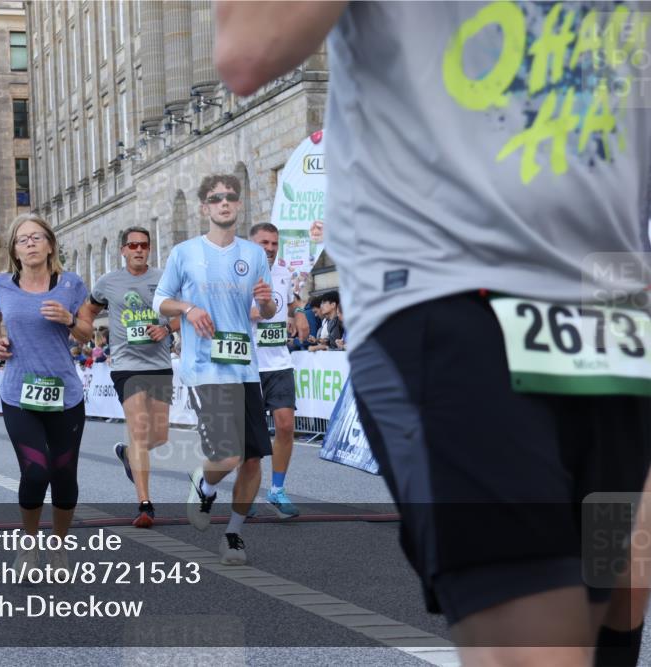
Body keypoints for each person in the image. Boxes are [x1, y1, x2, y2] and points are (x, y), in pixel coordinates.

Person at [216, 3, 651, 663]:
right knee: (541, 642)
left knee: (617, 603)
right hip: (445, 292)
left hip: (613, 310)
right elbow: (250, 47)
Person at [153, 174, 275, 565]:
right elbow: (161, 301)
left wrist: (266, 302)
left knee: (253, 459)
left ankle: (234, 534)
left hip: (245, 369)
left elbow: (268, 309)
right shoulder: (185, 252)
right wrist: (188, 308)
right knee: (228, 457)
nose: (224, 202)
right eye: (216, 197)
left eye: (230, 197)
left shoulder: (253, 254)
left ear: (239, 205)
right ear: (205, 207)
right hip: (205, 369)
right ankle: (204, 483)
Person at [0, 213, 92, 571]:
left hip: (65, 396)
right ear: (14, 250)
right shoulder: (3, 284)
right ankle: (28, 545)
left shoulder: (71, 284)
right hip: (19, 395)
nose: (29, 244)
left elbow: (86, 333)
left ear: (49, 245)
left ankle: (58, 547)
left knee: (64, 476)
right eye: (22, 239)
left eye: (36, 237)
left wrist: (70, 320)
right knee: (35, 472)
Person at [78, 225, 179, 528]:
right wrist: (85, 331)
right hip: (126, 365)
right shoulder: (108, 282)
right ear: (123, 250)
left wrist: (166, 328)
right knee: (138, 429)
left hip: (159, 364)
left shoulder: (165, 278)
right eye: (132, 245)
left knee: (158, 436)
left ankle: (127, 454)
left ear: (149, 249)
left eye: (143, 245)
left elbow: (182, 313)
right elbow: (88, 311)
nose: (138, 250)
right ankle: (145, 504)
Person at [249, 222, 304, 518]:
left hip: (280, 362)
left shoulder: (284, 272)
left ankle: (277, 490)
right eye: (264, 243)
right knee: (253, 435)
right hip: (249, 364)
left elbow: (292, 302)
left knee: (285, 426)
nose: (270, 248)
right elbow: (227, 310)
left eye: (274, 243)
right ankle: (246, 492)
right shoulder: (239, 272)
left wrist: (298, 313)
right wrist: (260, 312)